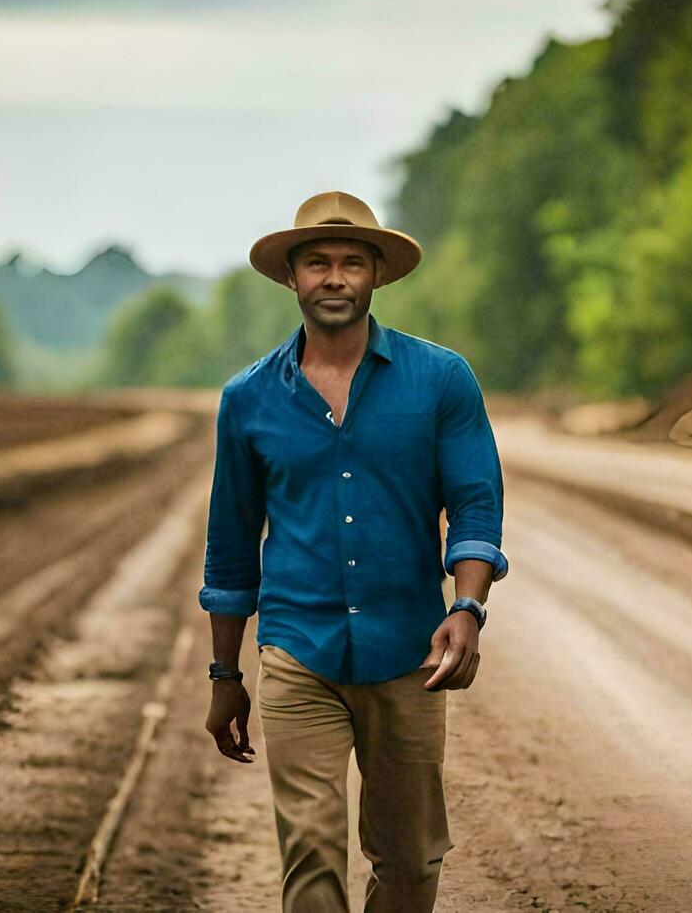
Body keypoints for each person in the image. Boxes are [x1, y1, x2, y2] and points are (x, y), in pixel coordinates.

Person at [199, 190, 509, 912]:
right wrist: (224, 671)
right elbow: (231, 545)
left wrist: (467, 607)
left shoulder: (441, 380)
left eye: (349, 263)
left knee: (409, 859)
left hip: (408, 653)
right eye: (317, 263)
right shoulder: (247, 399)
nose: (334, 278)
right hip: (296, 651)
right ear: (291, 278)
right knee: (309, 851)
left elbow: (474, 504)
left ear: (376, 275)